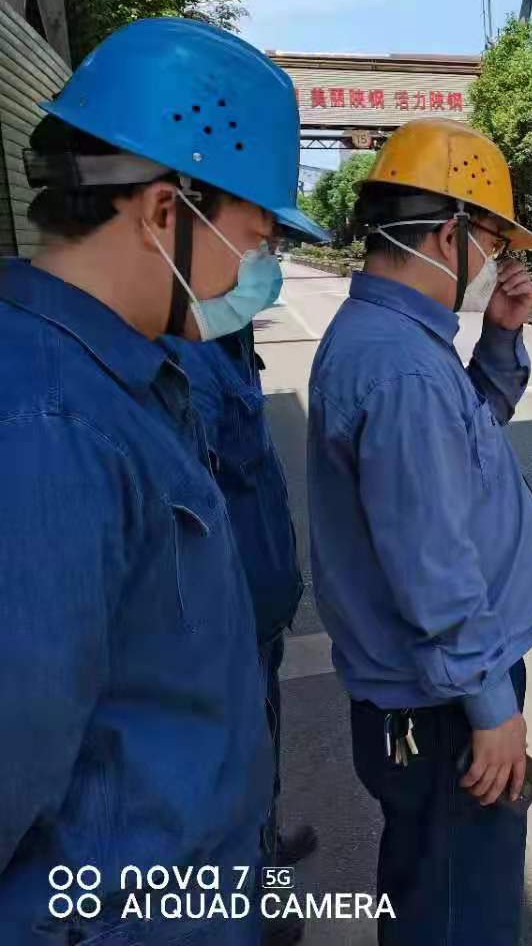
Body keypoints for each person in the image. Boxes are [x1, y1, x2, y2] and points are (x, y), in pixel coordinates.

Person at [0, 18, 326, 944]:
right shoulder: (46, 430)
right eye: (256, 239)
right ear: (161, 212)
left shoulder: (129, 379)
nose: (261, 272)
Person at [307, 118, 532, 945]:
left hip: (435, 688)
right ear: (450, 235)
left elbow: (465, 442)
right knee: (462, 911)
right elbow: (433, 561)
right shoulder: (403, 367)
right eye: (493, 242)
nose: (497, 263)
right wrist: (491, 706)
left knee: (429, 888)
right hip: (446, 699)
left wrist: (501, 337)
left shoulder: (398, 341)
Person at [165, 322, 318, 945]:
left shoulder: (228, 342)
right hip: (231, 623)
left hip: (259, 610)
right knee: (240, 776)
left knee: (263, 756)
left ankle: (266, 855)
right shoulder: (191, 361)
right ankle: (257, 898)